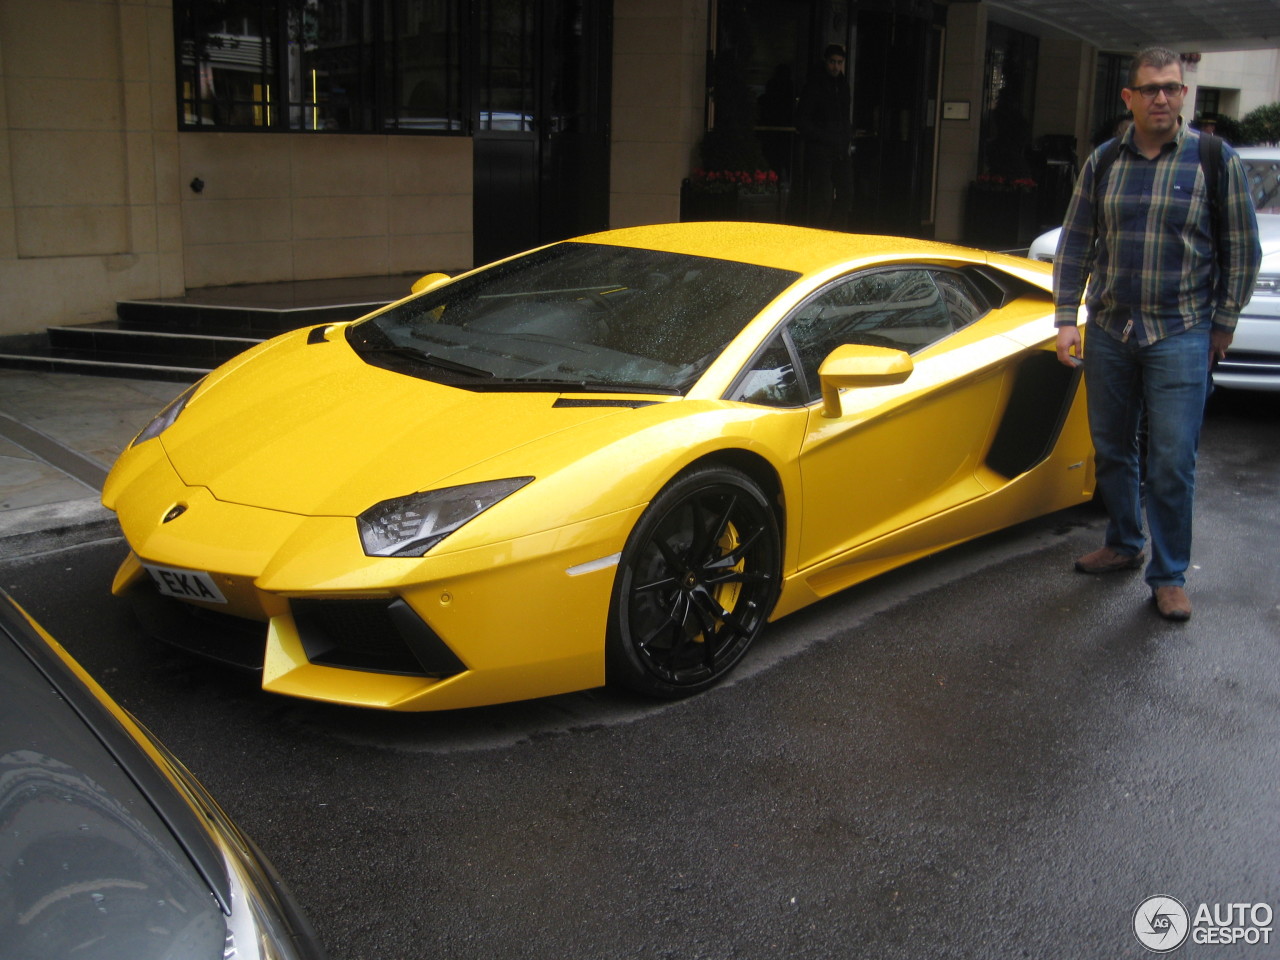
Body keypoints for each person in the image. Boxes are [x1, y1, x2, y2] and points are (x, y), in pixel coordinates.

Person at [1053, 46, 1261, 622]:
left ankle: (1168, 575)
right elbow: (1075, 242)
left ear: (1183, 94)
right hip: (1112, 330)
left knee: (1172, 460)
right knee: (1113, 448)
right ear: (1130, 97)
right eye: (1150, 89)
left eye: (1171, 87)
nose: (1162, 98)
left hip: (1182, 332)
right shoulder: (1102, 163)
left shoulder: (1212, 160)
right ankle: (1123, 541)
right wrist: (1066, 317)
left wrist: (1224, 322)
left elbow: (1243, 251)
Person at [795, 44, 853, 229]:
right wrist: (824, 137)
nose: (836, 67)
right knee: (823, 197)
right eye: (833, 62)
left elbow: (843, 116)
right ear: (826, 62)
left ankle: (833, 232)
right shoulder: (815, 86)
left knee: (846, 194)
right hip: (821, 149)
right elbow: (802, 120)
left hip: (838, 148)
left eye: (839, 63)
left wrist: (845, 135)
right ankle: (821, 233)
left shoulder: (842, 86)